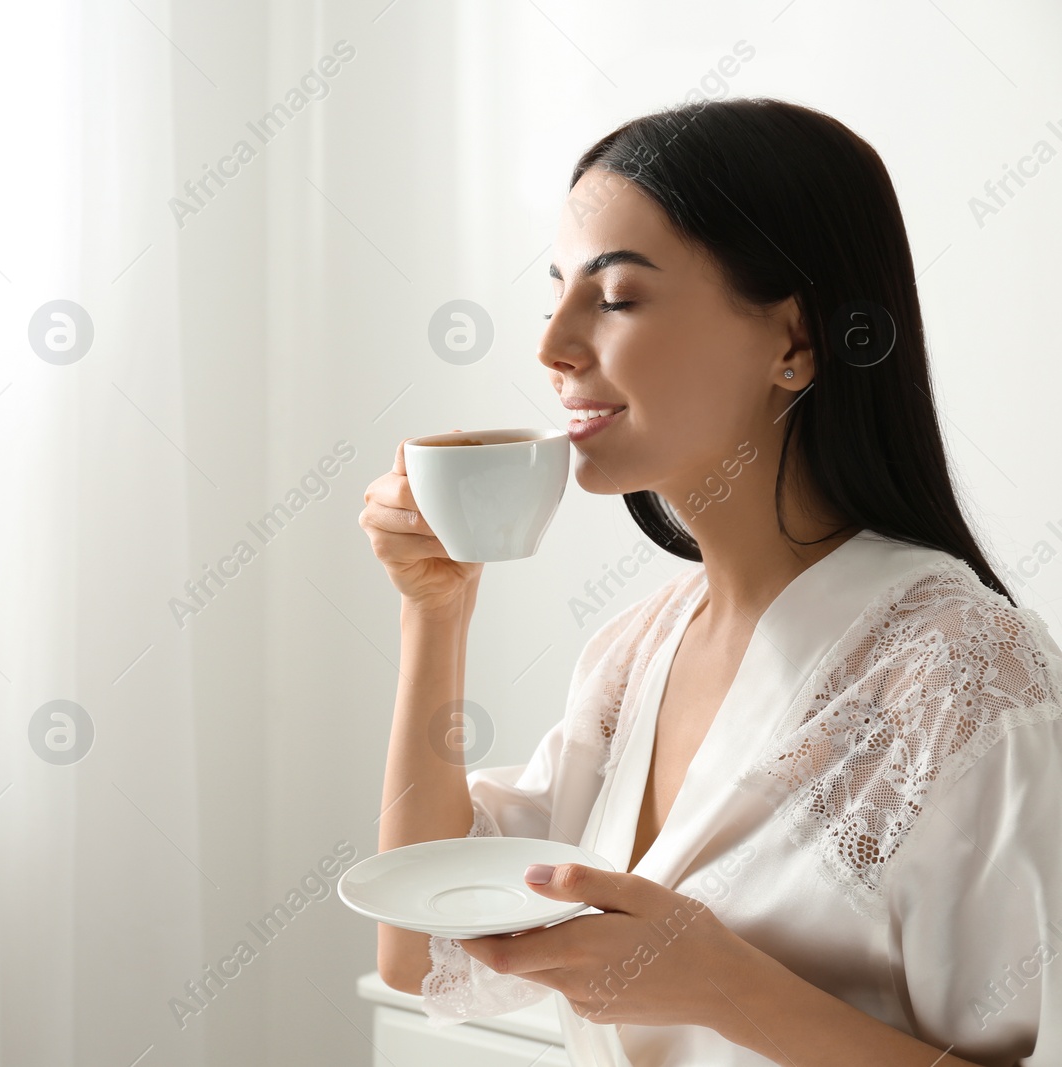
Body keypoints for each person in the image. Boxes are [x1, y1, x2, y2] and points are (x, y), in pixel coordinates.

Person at [357, 97, 1061, 1066]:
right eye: (555, 294)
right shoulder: (635, 652)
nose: (553, 345)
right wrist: (432, 613)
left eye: (615, 297)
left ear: (795, 343)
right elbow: (414, 947)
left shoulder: (963, 673)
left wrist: (723, 984)